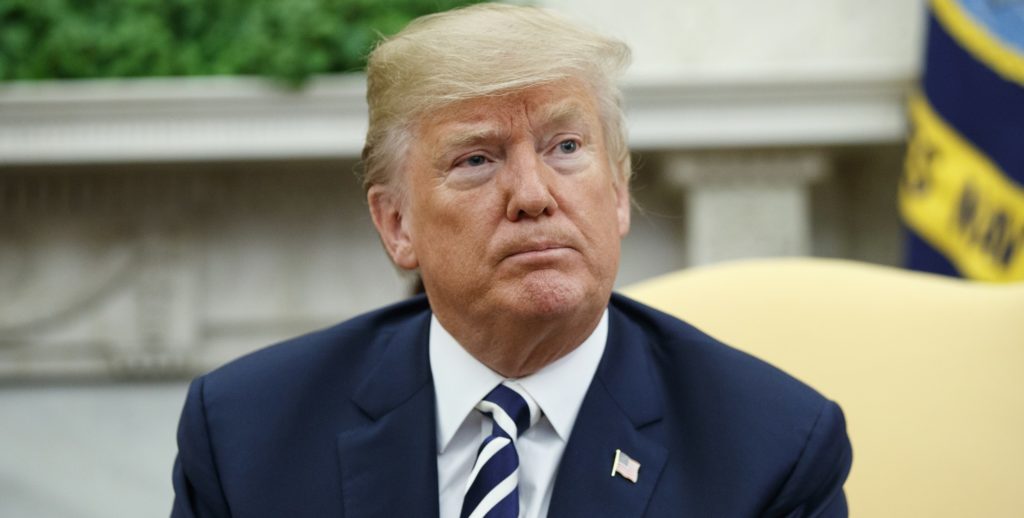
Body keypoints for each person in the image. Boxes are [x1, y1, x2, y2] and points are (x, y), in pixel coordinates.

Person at [170, 4, 852, 517]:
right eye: (476, 159)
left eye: (565, 148)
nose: (533, 195)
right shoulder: (247, 434)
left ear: (617, 193)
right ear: (396, 222)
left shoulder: (773, 450)